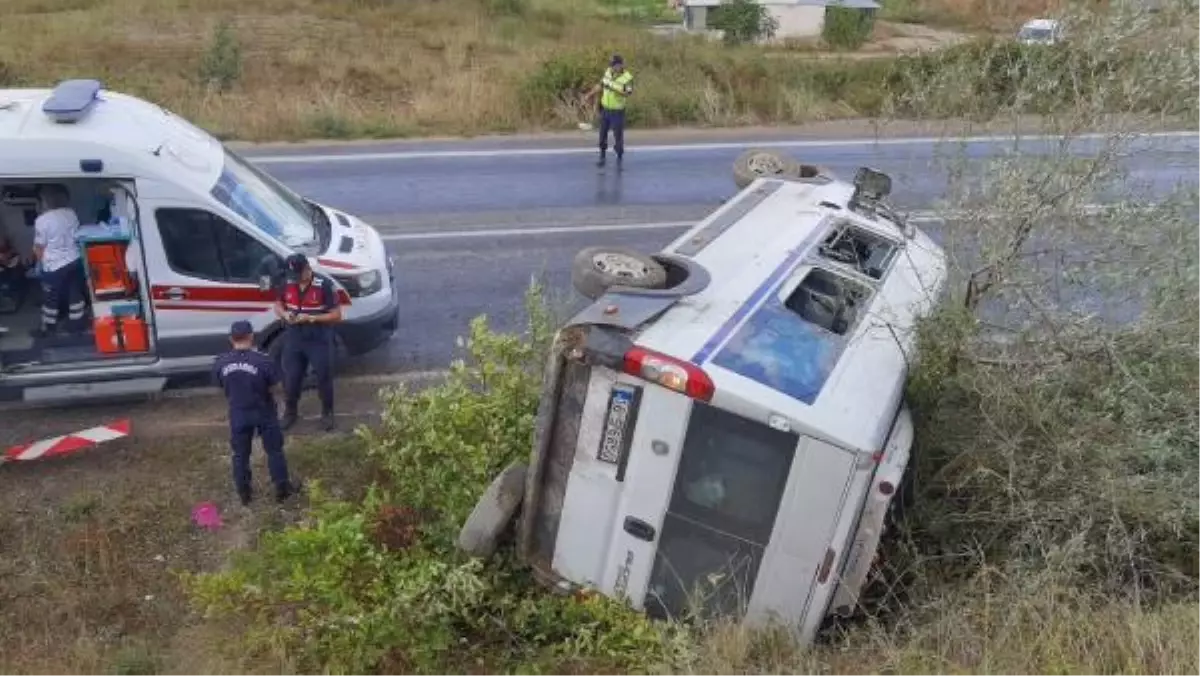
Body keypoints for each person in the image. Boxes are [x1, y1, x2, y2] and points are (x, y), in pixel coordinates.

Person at [213, 320, 300, 505]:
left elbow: (220, 385)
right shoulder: (263, 361)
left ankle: (244, 493)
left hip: (238, 412)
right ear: (251, 337)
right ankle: (282, 489)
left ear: (231, 339)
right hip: (264, 411)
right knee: (275, 451)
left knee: (240, 455)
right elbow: (276, 385)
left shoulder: (220, 362)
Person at [275, 253, 342, 432]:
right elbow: (278, 305)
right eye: (293, 277)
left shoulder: (324, 286)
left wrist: (312, 318)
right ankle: (290, 412)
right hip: (294, 338)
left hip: (318, 338)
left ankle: (327, 413)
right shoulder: (287, 283)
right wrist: (284, 314)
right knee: (291, 378)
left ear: (307, 269)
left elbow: (337, 315)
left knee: (323, 377)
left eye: (299, 275)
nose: (296, 280)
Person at [31, 184, 86, 338]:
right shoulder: (71, 213)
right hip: (74, 261)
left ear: (45, 200)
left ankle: (48, 328)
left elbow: (39, 247)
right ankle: (77, 326)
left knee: (51, 298)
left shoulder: (42, 220)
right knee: (75, 294)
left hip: (54, 266)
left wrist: (39, 265)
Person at [586, 54, 634, 169]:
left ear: (621, 65)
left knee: (618, 137)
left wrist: (614, 88)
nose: (613, 67)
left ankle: (619, 158)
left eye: (615, 65)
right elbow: (601, 85)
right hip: (605, 109)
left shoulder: (627, 77)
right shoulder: (608, 72)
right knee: (602, 135)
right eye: (611, 65)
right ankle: (602, 157)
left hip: (617, 111)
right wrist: (589, 94)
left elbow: (628, 93)